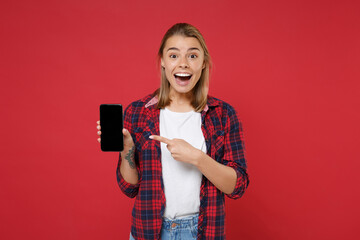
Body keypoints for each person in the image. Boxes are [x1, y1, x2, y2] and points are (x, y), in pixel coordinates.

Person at [97, 23, 249, 240]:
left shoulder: (223, 114)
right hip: (148, 232)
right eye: (174, 55)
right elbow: (129, 188)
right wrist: (127, 151)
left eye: (193, 56)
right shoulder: (138, 112)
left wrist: (197, 158)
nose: (183, 64)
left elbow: (238, 186)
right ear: (163, 62)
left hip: (202, 232)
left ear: (203, 63)